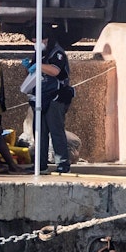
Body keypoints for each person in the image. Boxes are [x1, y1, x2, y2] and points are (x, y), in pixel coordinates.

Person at [27, 32, 76, 174]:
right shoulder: (39, 53)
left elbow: (55, 71)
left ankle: (62, 163)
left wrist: (38, 66)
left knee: (56, 130)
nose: (35, 42)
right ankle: (40, 164)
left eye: (37, 39)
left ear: (46, 38)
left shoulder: (57, 53)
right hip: (40, 97)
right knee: (39, 131)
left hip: (56, 97)